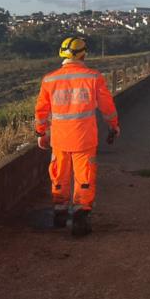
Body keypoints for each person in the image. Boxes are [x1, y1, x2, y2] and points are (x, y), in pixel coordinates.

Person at [34, 37, 120, 236]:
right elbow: (107, 107)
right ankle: (81, 216)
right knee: (84, 176)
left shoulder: (50, 79)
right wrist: (114, 126)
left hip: (59, 139)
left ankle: (59, 213)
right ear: (84, 53)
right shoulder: (93, 77)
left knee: (59, 174)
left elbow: (41, 110)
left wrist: (41, 132)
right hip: (84, 138)